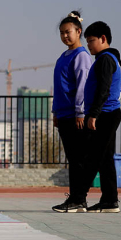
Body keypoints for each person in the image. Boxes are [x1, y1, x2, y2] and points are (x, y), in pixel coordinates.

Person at [74, 21, 121, 213]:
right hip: (108, 113)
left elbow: (104, 89)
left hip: (105, 114)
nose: (89, 45)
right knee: (104, 159)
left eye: (91, 41)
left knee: (91, 158)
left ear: (103, 39)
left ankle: (78, 199)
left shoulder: (105, 59)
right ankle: (110, 201)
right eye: (87, 41)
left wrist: (93, 114)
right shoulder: (107, 58)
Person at [51, 11, 93, 213]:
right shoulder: (63, 56)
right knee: (73, 159)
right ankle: (76, 198)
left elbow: (83, 86)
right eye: (61, 33)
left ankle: (79, 199)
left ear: (79, 32)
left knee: (78, 160)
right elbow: (59, 86)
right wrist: (55, 112)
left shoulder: (82, 55)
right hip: (64, 114)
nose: (65, 36)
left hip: (76, 116)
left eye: (68, 32)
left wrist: (80, 112)